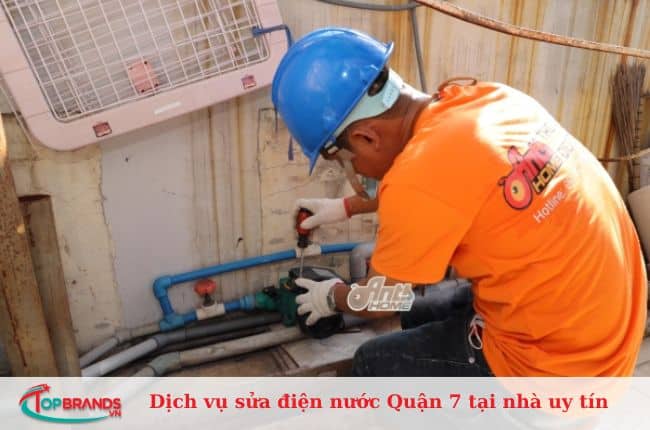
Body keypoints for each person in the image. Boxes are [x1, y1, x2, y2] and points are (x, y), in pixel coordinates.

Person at [271, 27, 647, 376]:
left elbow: (380, 301)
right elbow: (455, 188)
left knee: (373, 362)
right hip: (613, 320)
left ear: (367, 137)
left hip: (563, 367)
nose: (354, 174)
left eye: (345, 163)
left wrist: (332, 297)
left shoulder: (415, 178)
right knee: (421, 312)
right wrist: (344, 208)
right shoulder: (487, 100)